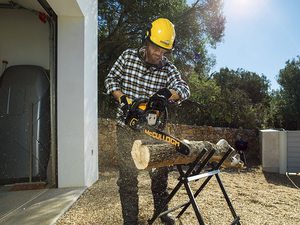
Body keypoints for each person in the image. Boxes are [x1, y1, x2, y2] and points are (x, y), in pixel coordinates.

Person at [105, 18, 190, 225]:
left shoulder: (168, 68)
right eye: (156, 48)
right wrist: (123, 99)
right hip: (126, 127)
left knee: (160, 176)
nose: (159, 54)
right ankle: (130, 221)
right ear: (147, 41)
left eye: (164, 51)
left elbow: (184, 88)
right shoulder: (127, 57)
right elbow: (110, 80)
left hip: (154, 130)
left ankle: (162, 213)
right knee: (127, 178)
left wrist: (166, 94)